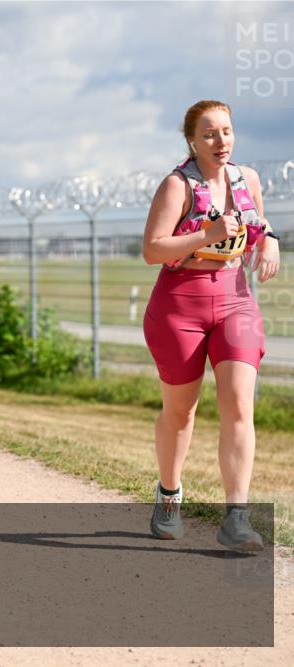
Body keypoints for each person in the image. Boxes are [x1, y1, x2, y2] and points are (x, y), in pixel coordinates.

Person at [142, 100, 281, 552]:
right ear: (192, 141)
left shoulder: (247, 179)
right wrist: (207, 234)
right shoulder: (177, 185)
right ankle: (169, 494)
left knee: (239, 404)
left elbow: (256, 226)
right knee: (181, 412)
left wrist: (271, 241)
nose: (220, 141)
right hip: (180, 304)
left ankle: (236, 517)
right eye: (208, 134)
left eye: (226, 131)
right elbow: (152, 249)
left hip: (235, 299)